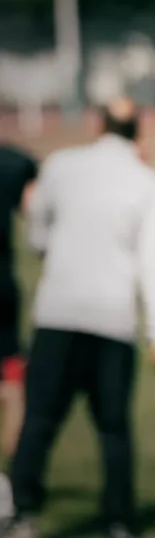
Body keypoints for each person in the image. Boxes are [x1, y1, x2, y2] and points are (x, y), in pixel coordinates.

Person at [6, 98, 155, 538]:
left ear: (98, 124)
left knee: (39, 420)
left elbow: (37, 229)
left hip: (57, 313)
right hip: (113, 321)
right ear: (138, 131)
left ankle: (22, 512)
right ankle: (119, 520)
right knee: (113, 428)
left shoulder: (61, 165)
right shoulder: (149, 184)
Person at [0, 145, 37, 521]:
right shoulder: (12, 161)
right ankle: (7, 479)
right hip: (2, 285)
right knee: (12, 382)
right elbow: (36, 221)